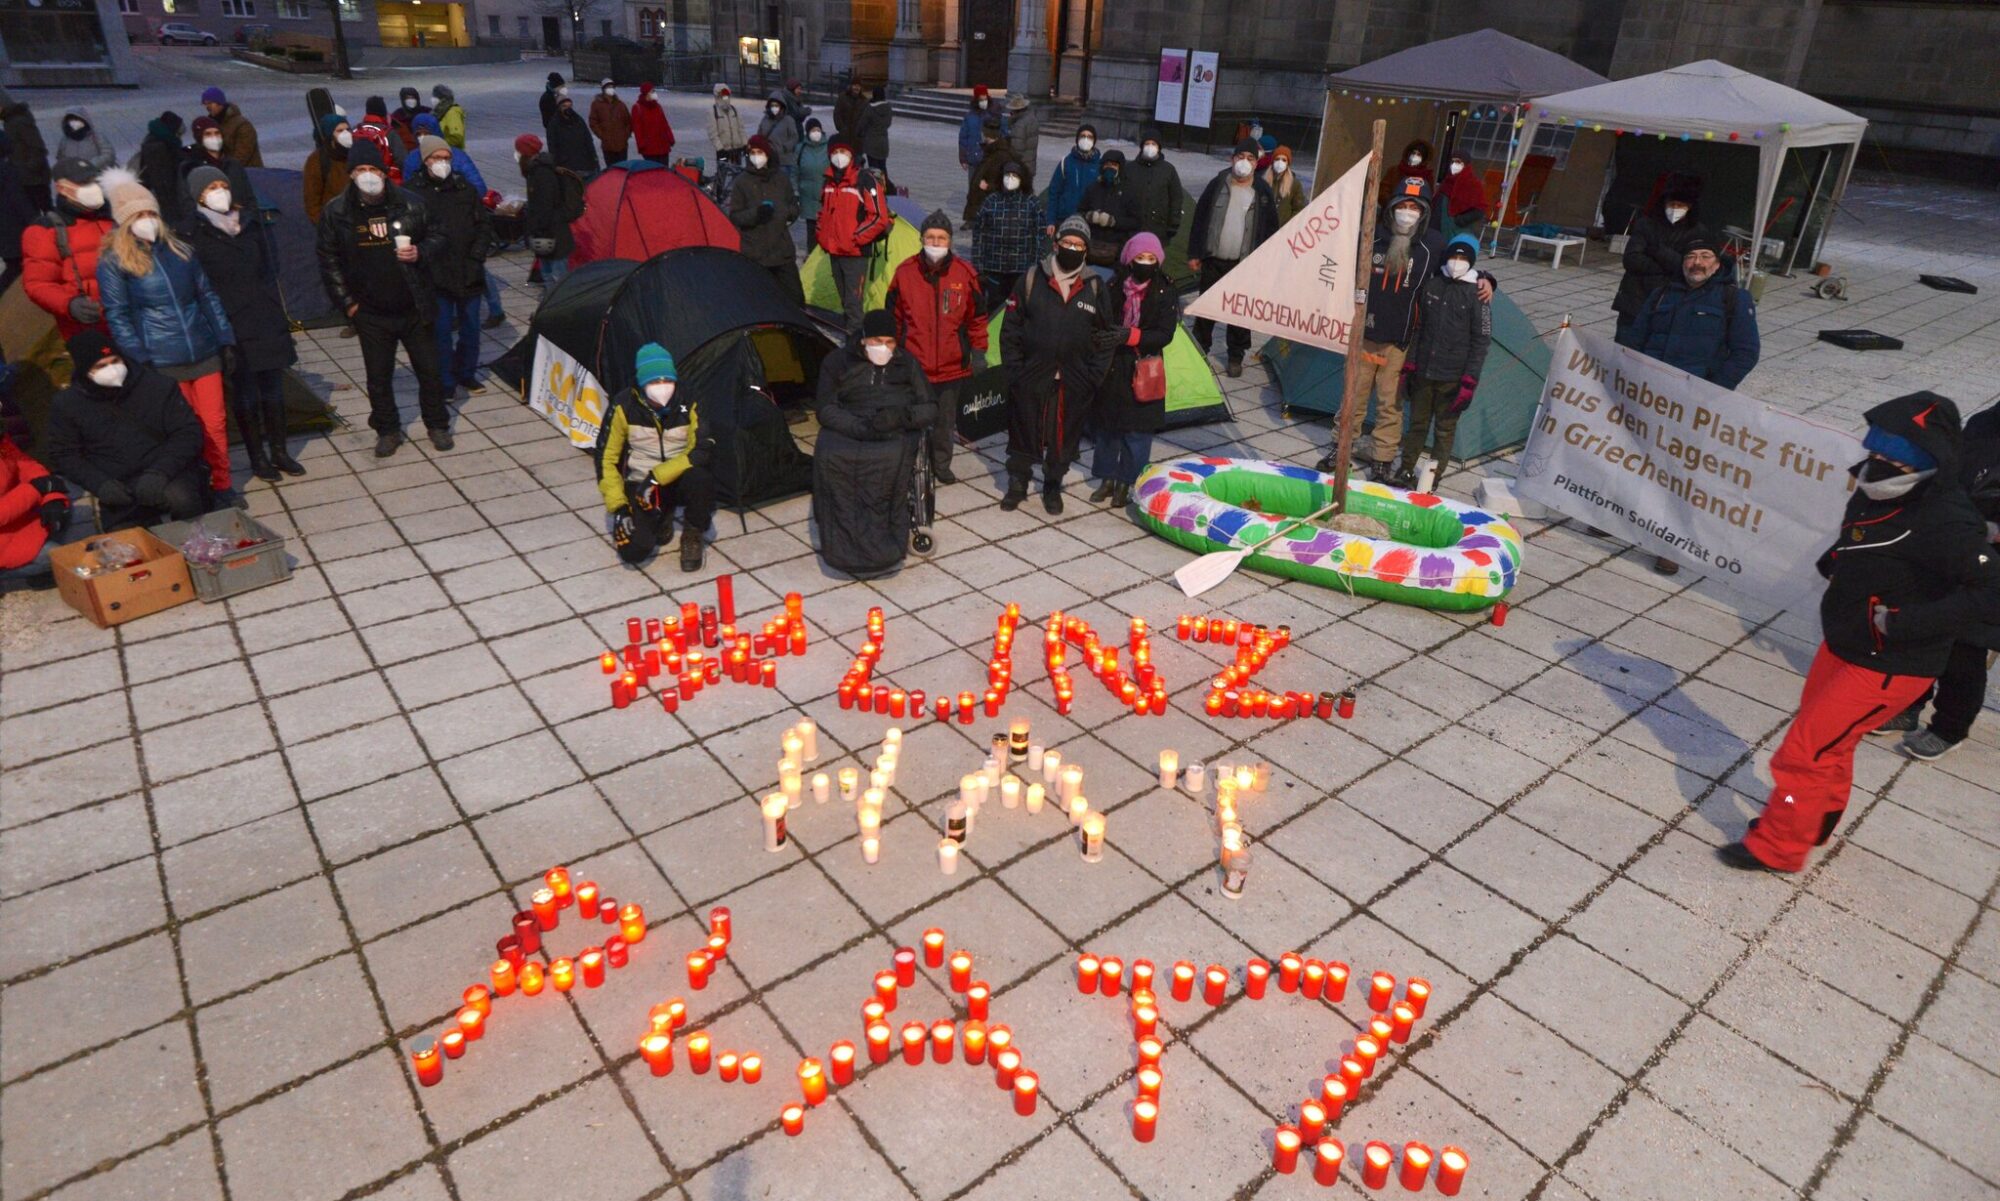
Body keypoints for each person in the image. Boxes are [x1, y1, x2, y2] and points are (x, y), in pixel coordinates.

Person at [1721, 393, 1999, 875]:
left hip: (1890, 665)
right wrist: (1837, 560)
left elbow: (1990, 591)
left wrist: (1907, 623)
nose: (1881, 464)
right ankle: (1817, 820)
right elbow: (1861, 529)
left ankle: (1779, 846)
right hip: (1845, 640)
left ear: (1927, 461)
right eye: (1878, 453)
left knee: (1802, 754)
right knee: (1832, 745)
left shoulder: (1948, 521)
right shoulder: (1876, 482)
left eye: (1896, 458)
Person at [1315, 180, 1492, 481]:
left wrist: (1486, 278)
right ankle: (1341, 446)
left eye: (1414, 208)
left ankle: (1383, 458)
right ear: (1392, 208)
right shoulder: (1373, 236)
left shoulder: (1432, 245)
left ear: (1423, 213)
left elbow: (1458, 263)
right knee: (1352, 397)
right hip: (1364, 335)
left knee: (1390, 403)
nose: (1407, 213)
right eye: (1402, 206)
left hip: (1400, 341)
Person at [97, 172, 239, 507]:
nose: (147, 221)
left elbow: (207, 297)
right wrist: (138, 357)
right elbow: (118, 315)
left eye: (150, 214)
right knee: (184, 430)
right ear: (124, 221)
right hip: (161, 359)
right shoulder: (115, 263)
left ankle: (223, 483)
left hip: (202, 350)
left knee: (215, 423)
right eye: (138, 215)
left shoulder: (181, 251)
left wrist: (225, 339)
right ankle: (195, 484)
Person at [315, 139, 452, 456]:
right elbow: (328, 260)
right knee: (378, 378)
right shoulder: (336, 212)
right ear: (351, 175)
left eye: (373, 169)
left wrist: (421, 251)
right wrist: (348, 304)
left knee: (429, 371)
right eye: (361, 169)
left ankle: (437, 424)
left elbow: (440, 235)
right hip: (371, 311)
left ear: (385, 171)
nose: (367, 175)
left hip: (413, 305)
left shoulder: (410, 203)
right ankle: (387, 429)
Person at [1888, 405, 2000, 760]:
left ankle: (1950, 727)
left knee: (1965, 646)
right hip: (1955, 539)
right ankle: (1909, 704)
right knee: (1923, 625)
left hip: (1992, 562)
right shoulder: (1985, 422)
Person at [180, 165, 304, 484]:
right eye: (211, 188)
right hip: (230, 320)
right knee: (245, 393)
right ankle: (257, 457)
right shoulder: (195, 233)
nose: (219, 192)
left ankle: (279, 450)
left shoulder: (250, 222)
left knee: (273, 388)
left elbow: (270, 264)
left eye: (223, 184)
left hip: (264, 314)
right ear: (199, 195)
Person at [999, 215, 1114, 513]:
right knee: (1024, 428)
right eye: (1067, 242)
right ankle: (1018, 483)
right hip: (1032, 374)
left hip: (1074, 379)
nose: (1072, 248)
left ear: (1086, 251)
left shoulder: (1095, 287)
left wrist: (1094, 377)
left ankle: (1052, 484)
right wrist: (1015, 371)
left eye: (1078, 244)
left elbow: (1105, 336)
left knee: (1063, 437)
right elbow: (1010, 329)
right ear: (1056, 244)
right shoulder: (1031, 279)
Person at [812, 309, 936, 578]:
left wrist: (902, 416)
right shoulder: (838, 362)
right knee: (831, 456)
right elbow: (826, 408)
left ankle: (887, 545)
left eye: (890, 342)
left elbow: (929, 407)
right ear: (863, 339)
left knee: (888, 466)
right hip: (850, 422)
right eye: (877, 341)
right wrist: (858, 427)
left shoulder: (907, 363)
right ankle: (838, 540)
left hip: (893, 427)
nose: (883, 347)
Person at [43, 330, 209, 526]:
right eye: (101, 366)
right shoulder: (67, 404)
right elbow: (65, 454)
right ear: (86, 372)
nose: (112, 369)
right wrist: (100, 484)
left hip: (166, 470)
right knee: (124, 542)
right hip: (117, 482)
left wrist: (161, 471)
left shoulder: (157, 385)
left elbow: (187, 432)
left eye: (115, 361)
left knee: (183, 499)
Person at [597, 342, 714, 572]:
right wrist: (619, 508)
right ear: (641, 383)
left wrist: (657, 476)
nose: (662, 387)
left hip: (679, 475)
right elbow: (605, 459)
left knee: (701, 477)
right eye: (654, 382)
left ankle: (693, 532)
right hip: (640, 482)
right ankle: (661, 516)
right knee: (633, 552)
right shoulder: (623, 405)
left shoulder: (690, 399)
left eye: (667, 381)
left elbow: (702, 448)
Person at [887, 211, 986, 484]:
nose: (935, 242)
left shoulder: (965, 274)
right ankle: (909, 462)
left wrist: (978, 352)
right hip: (914, 363)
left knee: (945, 421)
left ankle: (941, 464)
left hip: (952, 365)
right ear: (921, 239)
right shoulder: (904, 272)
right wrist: (891, 353)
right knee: (913, 417)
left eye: (941, 238)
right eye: (930, 237)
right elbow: (893, 318)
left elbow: (977, 319)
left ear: (950, 242)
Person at [1395, 235, 1490, 488]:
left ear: (1470, 262)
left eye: (1462, 258)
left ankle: (1431, 478)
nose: (1456, 262)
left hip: (1453, 378)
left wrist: (1470, 380)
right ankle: (1405, 469)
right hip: (1425, 372)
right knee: (1417, 425)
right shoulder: (1433, 285)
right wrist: (1410, 365)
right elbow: (1419, 327)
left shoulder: (1478, 295)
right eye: (1453, 256)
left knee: (1444, 431)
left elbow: (1481, 341)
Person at [1088, 232, 1175, 507]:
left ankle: (1128, 481)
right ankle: (1106, 478)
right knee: (1107, 427)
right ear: (1129, 258)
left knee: (1137, 431)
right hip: (1114, 365)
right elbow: (1101, 320)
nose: (1145, 263)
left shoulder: (1164, 290)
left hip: (1144, 366)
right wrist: (1102, 337)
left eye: (1150, 258)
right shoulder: (1114, 285)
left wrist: (1131, 336)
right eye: (1140, 257)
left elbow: (1164, 333)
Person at [408, 136, 493, 403]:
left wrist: (476, 257)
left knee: (470, 329)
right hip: (435, 273)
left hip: (468, 269)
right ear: (425, 160)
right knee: (440, 331)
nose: (442, 163)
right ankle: (445, 380)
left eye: (446, 158)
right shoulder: (413, 192)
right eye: (436, 158)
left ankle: (465, 372)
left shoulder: (463, 188)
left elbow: (483, 225)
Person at [1187, 139, 1279, 378]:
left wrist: (1266, 264)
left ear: (1257, 163)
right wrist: (1195, 253)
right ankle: (1199, 350)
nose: (1244, 163)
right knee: (1207, 310)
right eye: (1240, 157)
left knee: (1239, 313)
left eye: (1250, 158)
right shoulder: (1218, 184)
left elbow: (1271, 229)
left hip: (1244, 265)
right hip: (1214, 258)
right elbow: (1200, 219)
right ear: (1232, 159)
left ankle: (1235, 356)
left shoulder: (1262, 192)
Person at [1616, 238, 1759, 390]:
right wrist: (1632, 373)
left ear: (1717, 264)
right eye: (1690, 256)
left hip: (1694, 392)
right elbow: (1635, 339)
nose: (1697, 262)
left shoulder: (1734, 298)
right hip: (1649, 385)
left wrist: (1715, 389)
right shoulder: (1661, 294)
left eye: (1705, 256)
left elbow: (1746, 352)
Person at [22, 158, 113, 338]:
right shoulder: (46, 230)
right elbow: (38, 284)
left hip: (134, 323)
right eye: (84, 183)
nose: (93, 187)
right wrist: (69, 304)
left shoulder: (114, 218)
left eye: (95, 181)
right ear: (62, 188)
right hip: (90, 330)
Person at [1612, 176, 1705, 339]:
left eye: (1680, 205)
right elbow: (1631, 260)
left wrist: (1657, 251)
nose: (1675, 209)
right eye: (1671, 204)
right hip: (1634, 298)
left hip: (1668, 304)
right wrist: (1667, 266)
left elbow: (1686, 267)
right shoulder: (1646, 224)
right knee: (1624, 346)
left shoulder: (1697, 232)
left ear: (1689, 207)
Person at [815, 136, 892, 328]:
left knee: (853, 304)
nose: (839, 156)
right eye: (835, 152)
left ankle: (854, 344)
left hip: (855, 253)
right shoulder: (829, 182)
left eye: (844, 152)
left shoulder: (864, 180)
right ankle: (852, 337)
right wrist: (821, 235)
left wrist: (856, 237)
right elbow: (823, 211)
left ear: (852, 155)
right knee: (845, 300)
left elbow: (878, 216)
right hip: (834, 251)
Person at [729, 135, 803, 306]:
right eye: (753, 153)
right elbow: (735, 215)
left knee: (796, 299)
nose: (756, 156)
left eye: (760, 152)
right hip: (756, 253)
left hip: (781, 250)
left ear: (768, 154)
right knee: (760, 302)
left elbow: (794, 205)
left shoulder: (781, 178)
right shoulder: (742, 182)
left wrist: (786, 213)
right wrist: (756, 214)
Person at [0, 419, 69, 591]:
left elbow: (23, 463)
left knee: (66, 516)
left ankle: (39, 573)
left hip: (16, 520)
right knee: (57, 557)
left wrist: (52, 495)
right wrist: (35, 490)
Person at [971, 157, 1040, 308]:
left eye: (1015, 176)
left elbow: (1039, 236)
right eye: (1007, 175)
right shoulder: (991, 201)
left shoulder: (1031, 203)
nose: (1010, 179)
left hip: (1021, 268)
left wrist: (1036, 267)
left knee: (1018, 307)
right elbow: (978, 235)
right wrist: (977, 265)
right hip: (994, 268)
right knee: (994, 306)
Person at [517, 134, 577, 290]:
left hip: (552, 233)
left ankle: (560, 308)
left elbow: (544, 205)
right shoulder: (536, 170)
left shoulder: (541, 173)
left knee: (556, 276)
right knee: (549, 274)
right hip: (548, 233)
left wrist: (537, 230)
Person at [1077, 149, 1140, 270]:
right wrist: (1089, 216)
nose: (1110, 168)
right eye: (1107, 164)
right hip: (1092, 246)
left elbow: (1136, 221)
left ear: (1120, 168)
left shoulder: (1130, 191)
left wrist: (1113, 221)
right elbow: (1080, 211)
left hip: (1116, 249)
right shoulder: (1093, 188)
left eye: (1114, 165)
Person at [180, 117, 256, 214]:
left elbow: (249, 196)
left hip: (238, 221)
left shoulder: (233, 164)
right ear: (200, 137)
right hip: (207, 222)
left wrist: (246, 215)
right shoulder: (190, 165)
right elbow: (186, 200)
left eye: (217, 133)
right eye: (208, 134)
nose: (214, 137)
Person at [1125, 129, 1184, 245]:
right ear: (1142, 146)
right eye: (1147, 144)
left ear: (1159, 147)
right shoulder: (1130, 168)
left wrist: (1173, 225)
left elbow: (1176, 198)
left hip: (1158, 230)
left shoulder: (1168, 170)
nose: (1150, 147)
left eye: (1153, 144)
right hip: (1131, 228)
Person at [399, 114, 486, 193]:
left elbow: (478, 186)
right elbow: (408, 190)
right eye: (419, 134)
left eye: (426, 133)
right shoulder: (412, 158)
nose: (423, 137)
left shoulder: (458, 156)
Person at [0, 88, 50, 212]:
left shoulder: (19, 121)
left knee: (44, 211)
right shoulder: (10, 121)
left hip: (34, 180)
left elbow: (37, 148)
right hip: (25, 178)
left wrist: (28, 170)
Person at [1044, 125, 1101, 234]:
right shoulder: (1066, 162)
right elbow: (1054, 193)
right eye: (1083, 136)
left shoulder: (1099, 165)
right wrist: (1050, 220)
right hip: (1064, 218)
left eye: (1090, 137)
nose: (1086, 139)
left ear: (1094, 141)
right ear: (1077, 139)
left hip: (1089, 221)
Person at [134, 113, 190, 225]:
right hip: (166, 200)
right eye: (179, 133)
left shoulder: (160, 141)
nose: (180, 136)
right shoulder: (160, 147)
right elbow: (162, 181)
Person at [304, 114, 353, 225]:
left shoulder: (357, 153)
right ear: (330, 135)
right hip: (334, 222)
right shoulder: (317, 159)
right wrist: (323, 224)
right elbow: (312, 199)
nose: (346, 134)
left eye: (348, 129)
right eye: (339, 130)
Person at [0, 139, 34, 295]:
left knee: (14, 265)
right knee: (18, 267)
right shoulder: (9, 171)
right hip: (14, 230)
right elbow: (20, 200)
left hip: (5, 231)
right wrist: (35, 222)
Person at [963, 119, 1012, 224]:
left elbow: (1005, 183)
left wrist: (989, 187)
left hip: (989, 208)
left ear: (986, 134)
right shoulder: (989, 150)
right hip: (982, 207)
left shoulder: (1001, 155)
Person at [200, 87, 262, 168]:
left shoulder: (242, 125)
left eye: (210, 103)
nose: (207, 107)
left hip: (248, 173)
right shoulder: (211, 125)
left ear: (220, 103)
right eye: (205, 104)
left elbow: (242, 155)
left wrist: (226, 169)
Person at [1435, 149, 1487, 240]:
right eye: (1453, 161)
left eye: (1458, 162)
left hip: (1455, 230)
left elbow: (1479, 210)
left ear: (1466, 165)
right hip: (1437, 226)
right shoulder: (1447, 181)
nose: (1454, 165)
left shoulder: (1473, 183)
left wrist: (1459, 221)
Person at [958, 87, 1003, 188]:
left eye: (985, 99)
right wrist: (963, 158)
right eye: (981, 99)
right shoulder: (969, 116)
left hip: (990, 158)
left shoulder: (994, 114)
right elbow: (963, 138)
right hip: (974, 158)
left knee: (988, 187)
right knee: (974, 186)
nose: (984, 102)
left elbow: (1003, 134)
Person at [796, 118, 830, 250]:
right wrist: (795, 190)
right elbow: (795, 170)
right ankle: (811, 253)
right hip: (807, 194)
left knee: (824, 225)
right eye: (813, 130)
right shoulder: (801, 148)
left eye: (818, 130)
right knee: (811, 227)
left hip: (824, 193)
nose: (816, 133)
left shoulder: (828, 147)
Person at [549, 94, 601, 176]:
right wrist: (556, 165)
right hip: (566, 165)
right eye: (564, 106)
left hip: (585, 164)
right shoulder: (554, 124)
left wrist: (595, 159)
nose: (567, 108)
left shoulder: (579, 120)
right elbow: (552, 146)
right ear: (559, 107)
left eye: (570, 106)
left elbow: (588, 140)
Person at [56, 108, 115, 173]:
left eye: (76, 120)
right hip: (74, 177)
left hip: (95, 174)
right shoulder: (65, 140)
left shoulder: (96, 136)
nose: (74, 123)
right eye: (71, 120)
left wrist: (90, 164)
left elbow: (108, 154)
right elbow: (61, 158)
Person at [757, 92, 800, 179]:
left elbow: (794, 137)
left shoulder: (788, 120)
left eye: (777, 105)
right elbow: (759, 136)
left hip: (783, 160)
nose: (774, 108)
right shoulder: (765, 119)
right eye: (772, 105)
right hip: (767, 160)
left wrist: (785, 147)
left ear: (781, 106)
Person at [631, 83, 675, 165]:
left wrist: (670, 138)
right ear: (646, 93)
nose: (654, 93)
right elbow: (637, 129)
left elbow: (665, 124)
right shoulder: (637, 108)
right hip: (649, 149)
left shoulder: (657, 106)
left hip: (663, 146)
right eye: (652, 91)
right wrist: (642, 145)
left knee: (664, 172)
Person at [592, 80, 634, 166]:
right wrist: (602, 135)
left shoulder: (620, 104)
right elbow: (593, 122)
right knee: (611, 169)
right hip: (608, 145)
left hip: (622, 144)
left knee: (622, 168)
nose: (611, 89)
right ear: (603, 89)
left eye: (612, 87)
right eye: (608, 87)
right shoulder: (597, 104)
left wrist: (626, 134)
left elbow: (628, 121)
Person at [1379, 137, 1433, 204]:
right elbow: (1383, 192)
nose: (1415, 156)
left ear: (1424, 158)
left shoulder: (1426, 176)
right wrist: (1394, 203)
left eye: (1419, 154)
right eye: (1413, 153)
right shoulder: (1394, 171)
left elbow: (1428, 198)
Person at [1263, 144, 1306, 227]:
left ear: (1288, 163)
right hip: (1264, 229)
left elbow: (1298, 208)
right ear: (1273, 161)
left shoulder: (1294, 184)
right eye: (1277, 159)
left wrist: (1289, 226)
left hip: (1283, 230)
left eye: (1284, 160)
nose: (1280, 162)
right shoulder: (1264, 181)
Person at [858, 86, 893, 184]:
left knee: (873, 170)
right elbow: (888, 123)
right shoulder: (888, 108)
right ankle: (885, 188)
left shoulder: (870, 109)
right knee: (883, 167)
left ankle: (876, 189)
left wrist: (859, 133)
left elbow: (862, 124)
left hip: (871, 143)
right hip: (883, 143)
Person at [706, 84, 746, 169]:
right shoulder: (713, 112)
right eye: (722, 96)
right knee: (723, 173)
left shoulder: (734, 110)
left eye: (727, 96)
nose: (725, 98)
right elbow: (712, 133)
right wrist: (719, 148)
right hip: (723, 150)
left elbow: (741, 129)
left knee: (737, 173)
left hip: (736, 150)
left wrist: (745, 144)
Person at [1005, 95, 1040, 176]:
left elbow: (1017, 150)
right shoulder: (1032, 119)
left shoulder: (1019, 125)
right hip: (1030, 164)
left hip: (1020, 167)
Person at [431, 84, 465, 150]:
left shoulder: (452, 113)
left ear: (443, 99)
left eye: (435, 96)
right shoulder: (439, 113)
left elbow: (457, 137)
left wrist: (438, 143)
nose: (433, 99)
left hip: (452, 153)